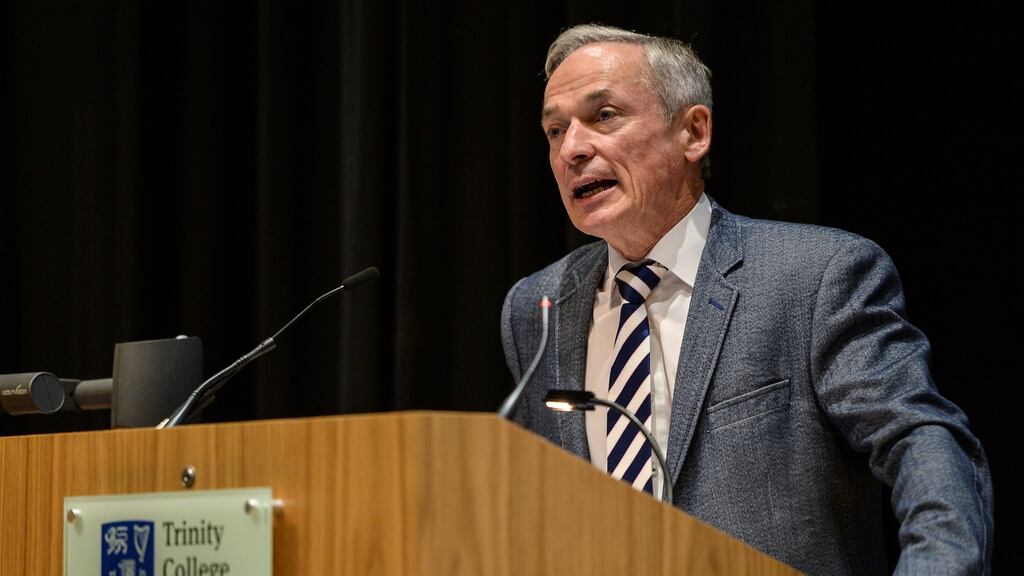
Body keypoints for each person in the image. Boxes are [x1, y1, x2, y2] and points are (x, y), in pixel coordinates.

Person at [501, 24, 992, 575]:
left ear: (694, 131)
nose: (571, 149)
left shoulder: (813, 276)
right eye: (555, 130)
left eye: (604, 116)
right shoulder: (537, 307)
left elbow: (919, 438)